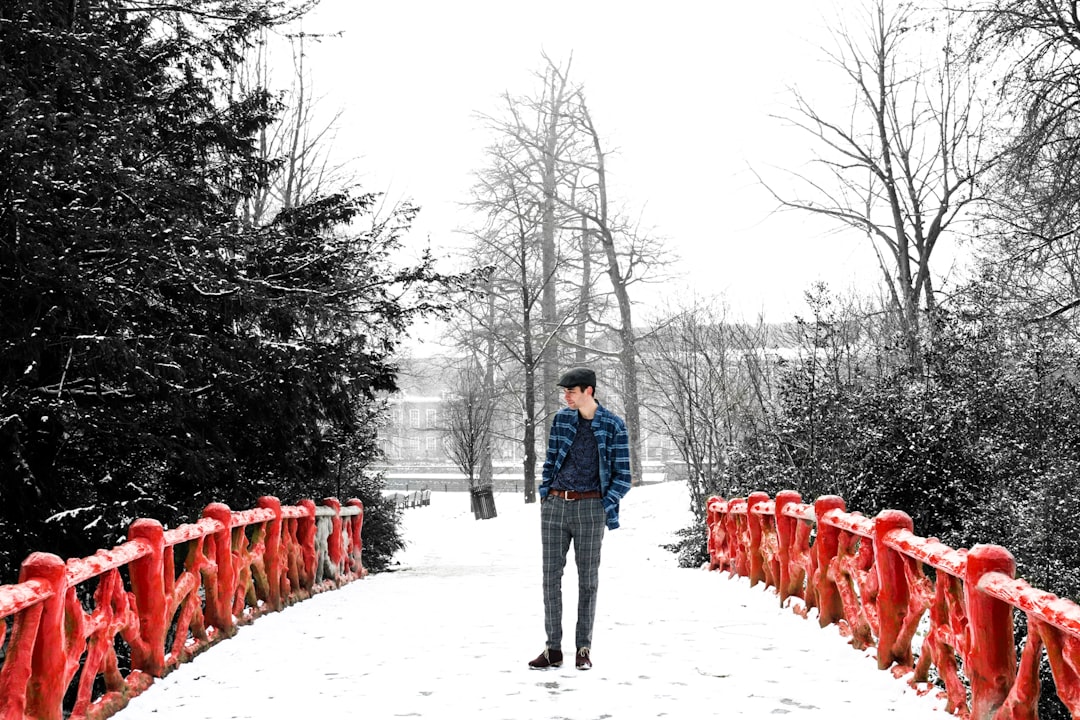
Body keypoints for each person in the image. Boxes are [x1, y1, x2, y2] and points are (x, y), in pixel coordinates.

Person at [528, 366, 632, 671]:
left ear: (588, 391)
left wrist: (603, 504)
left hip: (590, 508)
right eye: (564, 392)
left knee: (588, 582)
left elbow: (623, 476)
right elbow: (550, 461)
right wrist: (545, 493)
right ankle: (553, 649)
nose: (566, 397)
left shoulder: (613, 425)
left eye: (571, 392)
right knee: (550, 580)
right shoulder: (561, 420)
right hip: (555, 506)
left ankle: (583, 648)